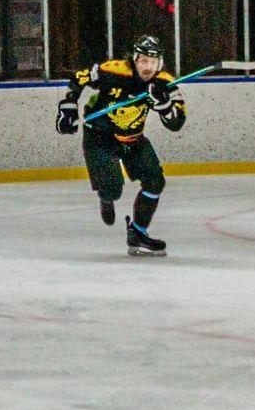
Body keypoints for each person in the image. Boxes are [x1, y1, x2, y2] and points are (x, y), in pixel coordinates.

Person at [56, 34, 186, 256]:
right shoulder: (114, 70)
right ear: (135, 59)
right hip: (99, 137)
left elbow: (176, 122)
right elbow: (80, 78)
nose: (148, 67)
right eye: (143, 61)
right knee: (113, 190)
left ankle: (138, 232)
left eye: (152, 62)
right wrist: (68, 105)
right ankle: (106, 197)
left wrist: (163, 105)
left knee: (155, 181)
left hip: (133, 139)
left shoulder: (164, 82)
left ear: (160, 62)